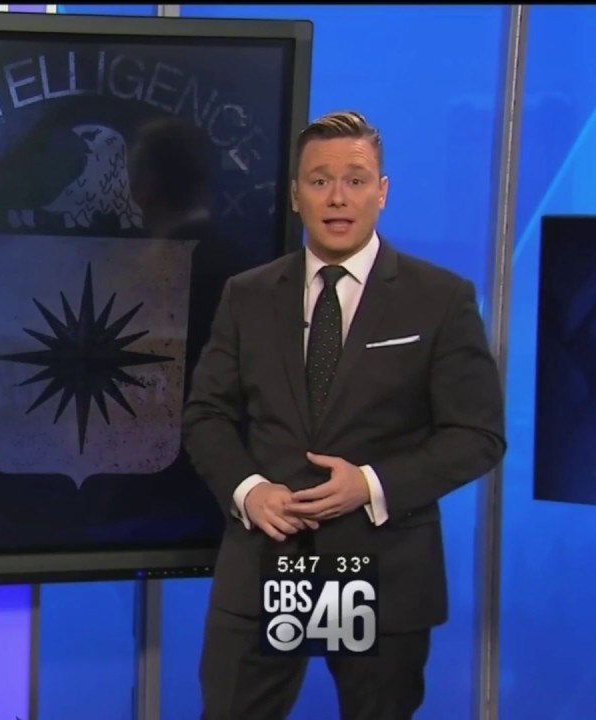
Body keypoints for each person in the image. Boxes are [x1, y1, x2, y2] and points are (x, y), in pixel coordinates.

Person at [181, 110, 506, 720]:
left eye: (355, 180)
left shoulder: (439, 298)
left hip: (381, 565)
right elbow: (206, 415)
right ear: (296, 195)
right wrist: (249, 491)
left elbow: (477, 435)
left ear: (382, 192)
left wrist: (370, 485)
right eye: (320, 180)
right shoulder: (248, 295)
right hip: (268, 561)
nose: (338, 197)